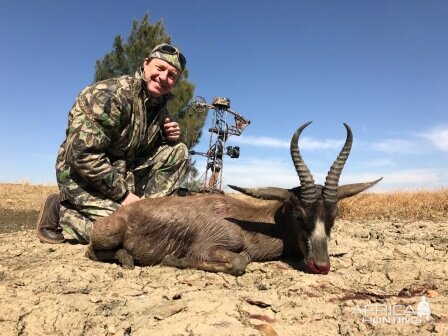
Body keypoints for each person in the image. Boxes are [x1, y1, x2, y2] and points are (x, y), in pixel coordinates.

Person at [36, 43, 189, 244]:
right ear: (146, 64)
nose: (163, 78)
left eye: (172, 75)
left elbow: (142, 150)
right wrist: (125, 196)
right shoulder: (109, 94)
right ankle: (61, 210)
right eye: (160, 69)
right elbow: (82, 156)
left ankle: (149, 212)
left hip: (122, 173)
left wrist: (166, 138)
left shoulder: (159, 107)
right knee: (129, 234)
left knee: (178, 151)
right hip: (82, 176)